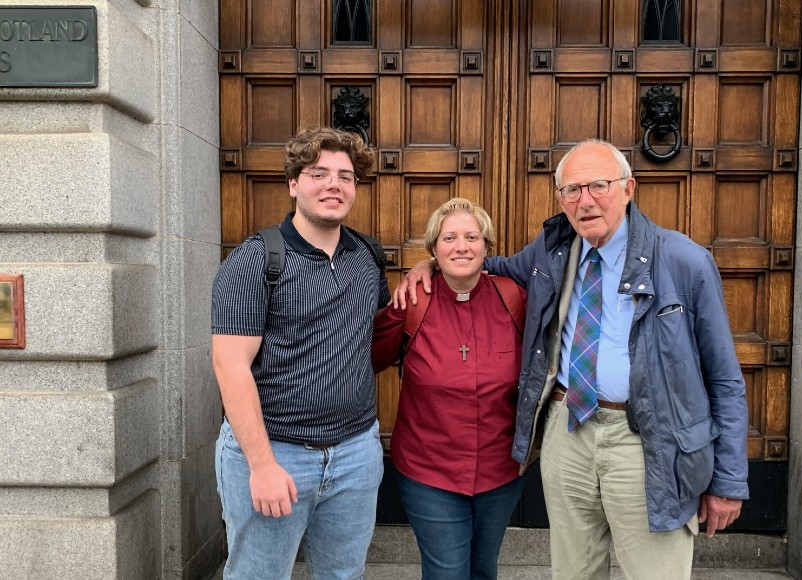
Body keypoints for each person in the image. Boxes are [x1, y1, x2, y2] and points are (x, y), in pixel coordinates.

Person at [398, 139, 749, 579]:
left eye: (598, 186)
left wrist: (728, 482)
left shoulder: (683, 261)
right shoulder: (553, 251)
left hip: (647, 441)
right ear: (560, 199)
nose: (585, 201)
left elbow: (725, 378)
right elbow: (484, 264)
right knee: (574, 572)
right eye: (571, 191)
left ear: (628, 188)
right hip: (569, 431)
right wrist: (429, 265)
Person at [211, 127, 389, 579]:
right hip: (276, 453)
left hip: (354, 455)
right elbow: (231, 366)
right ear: (294, 184)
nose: (334, 184)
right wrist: (262, 464)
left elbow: (382, 332)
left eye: (345, 176)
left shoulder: (367, 256)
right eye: (319, 173)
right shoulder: (254, 260)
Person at [372, 197, 527, 580]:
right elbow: (365, 360)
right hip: (430, 470)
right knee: (447, 573)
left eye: (472, 237)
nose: (461, 246)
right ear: (433, 249)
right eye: (449, 238)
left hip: (500, 469)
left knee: (483, 569)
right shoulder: (412, 300)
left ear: (487, 248)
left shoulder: (515, 298)